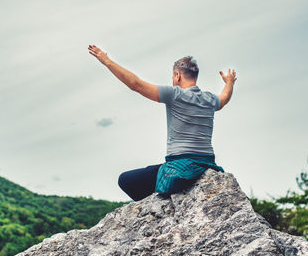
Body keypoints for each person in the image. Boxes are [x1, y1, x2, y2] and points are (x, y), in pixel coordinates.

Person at [88, 44, 237, 201]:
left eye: (173, 77)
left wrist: (107, 61)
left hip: (180, 166)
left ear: (178, 75)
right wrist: (229, 82)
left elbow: (136, 84)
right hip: (207, 164)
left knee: (126, 180)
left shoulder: (174, 94)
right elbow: (225, 98)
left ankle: (160, 209)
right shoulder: (210, 99)